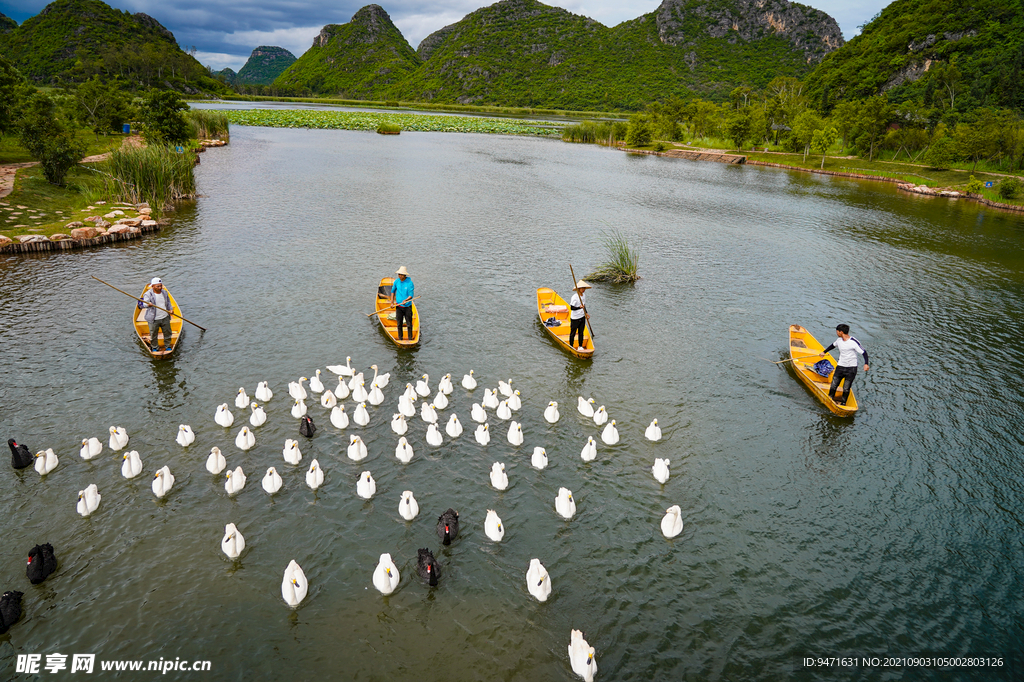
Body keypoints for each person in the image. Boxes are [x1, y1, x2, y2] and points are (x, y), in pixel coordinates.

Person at [818, 324, 869, 405]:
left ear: (841, 332)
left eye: (837, 331)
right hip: (840, 367)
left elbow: (864, 352)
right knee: (834, 385)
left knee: (846, 388)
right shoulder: (839, 340)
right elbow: (832, 346)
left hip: (851, 369)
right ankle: (829, 399)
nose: (836, 333)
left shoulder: (853, 342)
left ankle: (843, 403)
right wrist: (824, 352)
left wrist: (866, 364)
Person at [142, 277, 172, 351]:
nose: (160, 287)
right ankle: (155, 347)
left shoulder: (164, 292)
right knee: (153, 335)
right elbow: (144, 304)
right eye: (157, 286)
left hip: (165, 317)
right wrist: (148, 304)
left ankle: (167, 345)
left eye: (160, 285)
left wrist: (170, 309)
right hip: (154, 319)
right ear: (153, 286)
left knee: (167, 332)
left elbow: (168, 302)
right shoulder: (148, 294)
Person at [389, 266, 415, 341]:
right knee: (399, 324)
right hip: (399, 307)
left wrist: (406, 300)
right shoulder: (396, 281)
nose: (399, 276)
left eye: (401, 274)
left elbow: (411, 295)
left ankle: (410, 339)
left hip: (407, 307)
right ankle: (400, 338)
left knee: (409, 324)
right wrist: (391, 303)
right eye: (399, 274)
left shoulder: (409, 283)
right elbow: (392, 291)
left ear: (404, 275)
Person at [568, 280, 591, 351]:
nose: (583, 290)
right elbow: (571, 308)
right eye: (582, 288)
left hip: (582, 317)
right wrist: (579, 307)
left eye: (584, 288)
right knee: (573, 333)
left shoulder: (584, 295)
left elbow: (583, 305)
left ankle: (580, 346)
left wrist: (586, 313)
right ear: (578, 289)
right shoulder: (575, 297)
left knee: (581, 332)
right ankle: (571, 346)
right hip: (575, 318)